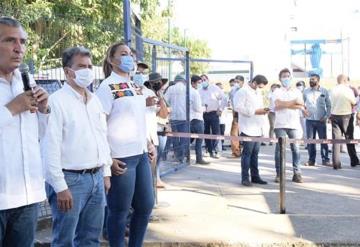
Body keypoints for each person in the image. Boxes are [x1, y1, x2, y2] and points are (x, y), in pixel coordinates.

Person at [44, 46, 113, 246]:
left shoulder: (94, 101)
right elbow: (50, 146)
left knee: (91, 239)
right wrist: (60, 187)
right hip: (70, 181)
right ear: (67, 71)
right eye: (81, 66)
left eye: (90, 66)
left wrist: (105, 173)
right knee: (64, 241)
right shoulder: (56, 102)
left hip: (96, 178)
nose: (87, 71)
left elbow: (102, 136)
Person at [96, 41, 155, 247]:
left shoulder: (136, 86)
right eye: (123, 53)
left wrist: (148, 143)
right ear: (112, 60)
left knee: (146, 206)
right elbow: (99, 125)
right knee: (119, 211)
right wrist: (108, 159)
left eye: (130, 53)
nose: (129, 57)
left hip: (140, 155)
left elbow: (139, 119)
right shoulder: (107, 86)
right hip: (120, 158)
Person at [0, 16, 50, 247]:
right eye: (10, 40)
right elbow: (13, 112)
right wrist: (12, 108)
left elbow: (39, 134)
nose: (19, 48)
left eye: (23, 41)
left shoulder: (25, 82)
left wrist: (43, 110)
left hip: (28, 197)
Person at [234, 75, 269, 186]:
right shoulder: (242, 92)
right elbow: (238, 107)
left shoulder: (257, 92)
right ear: (254, 82)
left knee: (255, 154)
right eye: (259, 86)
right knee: (247, 154)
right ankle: (245, 178)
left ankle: (255, 176)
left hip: (257, 127)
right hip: (247, 128)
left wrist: (263, 111)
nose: (259, 88)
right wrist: (254, 111)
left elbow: (259, 107)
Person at [273, 68, 305, 183]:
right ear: (280, 78)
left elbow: (301, 104)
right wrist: (293, 102)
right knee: (279, 150)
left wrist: (284, 104)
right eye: (283, 76)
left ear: (291, 77)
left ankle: (297, 173)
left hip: (294, 124)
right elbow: (277, 105)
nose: (286, 78)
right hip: (280, 124)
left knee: (295, 148)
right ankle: (279, 174)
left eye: (287, 76)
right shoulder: (276, 91)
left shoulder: (297, 91)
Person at [144, 72, 169, 188]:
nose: (158, 84)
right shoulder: (145, 93)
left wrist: (161, 99)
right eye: (155, 82)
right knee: (147, 171)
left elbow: (163, 115)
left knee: (154, 166)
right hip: (145, 138)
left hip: (153, 137)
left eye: (159, 82)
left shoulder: (158, 95)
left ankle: (154, 187)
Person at [330, 74, 360, 169]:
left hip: (334, 116)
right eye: (347, 80)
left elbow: (330, 102)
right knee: (349, 138)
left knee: (336, 140)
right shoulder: (348, 90)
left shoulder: (333, 90)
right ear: (344, 80)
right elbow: (354, 102)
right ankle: (354, 160)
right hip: (346, 115)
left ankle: (336, 163)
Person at [303, 74, 331, 167]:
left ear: (318, 81)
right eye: (310, 79)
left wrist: (327, 116)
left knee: (323, 140)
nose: (311, 81)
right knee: (311, 141)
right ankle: (311, 160)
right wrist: (304, 111)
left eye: (313, 80)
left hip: (321, 120)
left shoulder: (324, 91)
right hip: (309, 120)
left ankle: (325, 160)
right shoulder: (306, 91)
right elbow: (301, 103)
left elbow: (329, 105)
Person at [164, 74, 189, 163]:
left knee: (175, 137)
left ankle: (177, 155)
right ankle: (181, 157)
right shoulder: (187, 89)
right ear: (183, 81)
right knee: (184, 137)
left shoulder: (171, 88)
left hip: (173, 116)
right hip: (185, 116)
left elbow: (165, 100)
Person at [199, 74, 225, 159]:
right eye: (201, 80)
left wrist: (220, 109)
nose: (203, 82)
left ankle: (217, 151)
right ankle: (208, 150)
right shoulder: (199, 90)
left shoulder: (215, 88)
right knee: (205, 133)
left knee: (216, 132)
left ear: (208, 80)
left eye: (204, 80)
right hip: (204, 114)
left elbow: (224, 98)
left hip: (214, 113)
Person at [190, 75, 210, 165]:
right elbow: (197, 108)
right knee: (199, 139)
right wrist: (204, 108)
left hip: (189, 119)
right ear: (193, 83)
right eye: (199, 82)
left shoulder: (189, 91)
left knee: (188, 140)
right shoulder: (195, 92)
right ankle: (199, 158)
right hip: (197, 119)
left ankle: (183, 157)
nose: (200, 84)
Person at [229, 75, 245, 157]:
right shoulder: (232, 91)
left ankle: (246, 151)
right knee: (234, 132)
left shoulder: (246, 90)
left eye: (238, 82)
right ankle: (236, 151)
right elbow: (230, 100)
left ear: (242, 82)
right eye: (235, 82)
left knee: (245, 132)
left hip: (245, 113)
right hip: (236, 113)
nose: (236, 83)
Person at [216, 82, 228, 151]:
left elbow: (226, 105)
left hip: (223, 118)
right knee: (216, 132)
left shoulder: (224, 96)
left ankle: (222, 145)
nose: (220, 89)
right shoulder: (214, 96)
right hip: (216, 117)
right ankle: (216, 146)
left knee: (222, 132)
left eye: (221, 88)